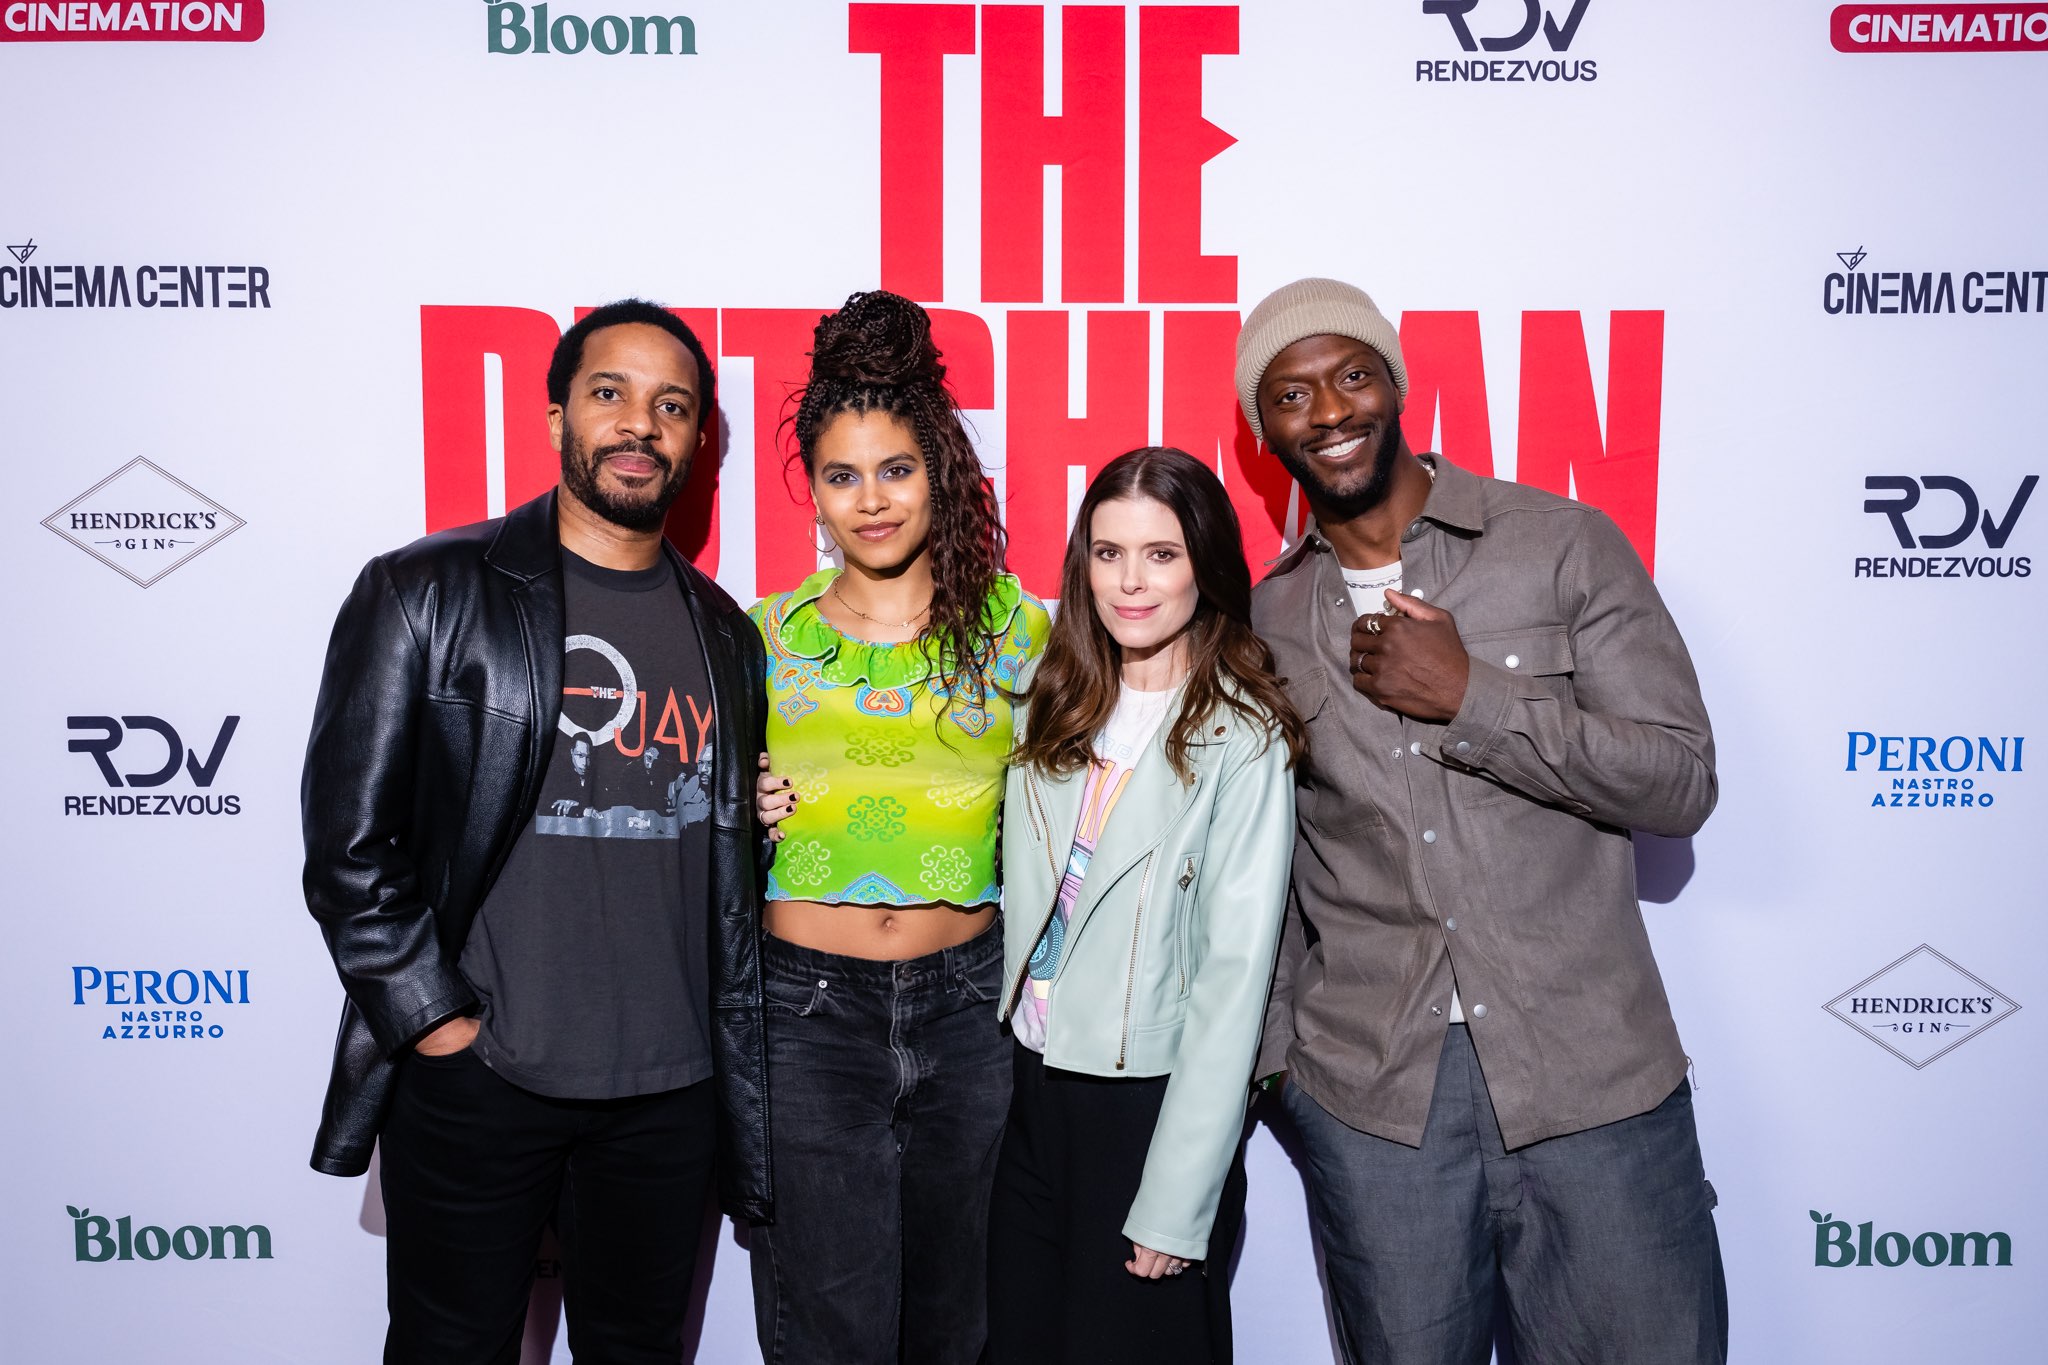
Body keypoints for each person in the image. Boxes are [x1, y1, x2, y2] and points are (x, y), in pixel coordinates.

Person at [1239, 277, 1726, 1364]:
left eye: (1350, 375)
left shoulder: (1557, 544)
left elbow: (1678, 782)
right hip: (1377, 1110)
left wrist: (1475, 697)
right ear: (1260, 427)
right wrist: (1281, 1069)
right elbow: (1264, 867)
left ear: (1394, 386)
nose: (1326, 412)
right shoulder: (1268, 618)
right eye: (1288, 395)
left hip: (1591, 1081)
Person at [300, 298, 771, 1364]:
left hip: (670, 1091)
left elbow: (711, 844)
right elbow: (348, 847)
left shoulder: (724, 632)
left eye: (672, 407)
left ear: (699, 442)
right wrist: (438, 1029)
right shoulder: (425, 590)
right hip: (482, 1077)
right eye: (610, 394)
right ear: (558, 413)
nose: (638, 425)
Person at [745, 290, 1051, 1365]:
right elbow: (685, 805)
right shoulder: (761, 639)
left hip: (969, 1007)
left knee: (951, 1321)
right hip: (807, 1013)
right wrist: (737, 805)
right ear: (814, 495)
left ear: (940, 475)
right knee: (831, 1325)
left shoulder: (1021, 631)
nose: (869, 501)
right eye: (841, 475)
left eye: (894, 469)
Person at [983, 448, 1302, 1365]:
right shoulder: (1052, 700)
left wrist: (1178, 1192)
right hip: (1035, 1088)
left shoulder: (1243, 734)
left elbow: (1235, 983)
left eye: (1161, 554)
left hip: (1149, 1105)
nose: (1131, 581)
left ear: (1204, 561)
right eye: (1109, 551)